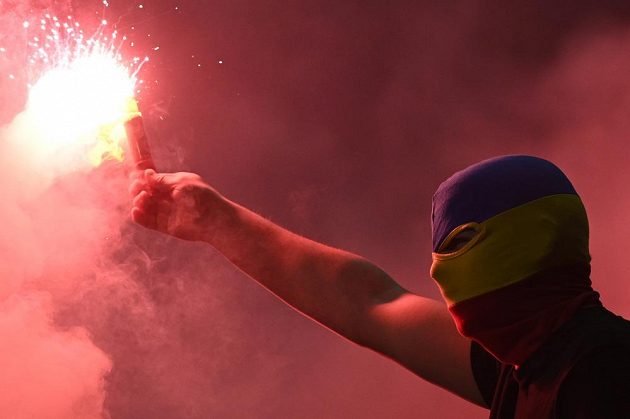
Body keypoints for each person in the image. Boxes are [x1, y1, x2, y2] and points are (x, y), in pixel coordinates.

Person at [129, 155, 630, 418]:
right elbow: (370, 302)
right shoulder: (522, 368)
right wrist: (216, 220)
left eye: (461, 242)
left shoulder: (605, 372)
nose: (438, 272)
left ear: (541, 237)